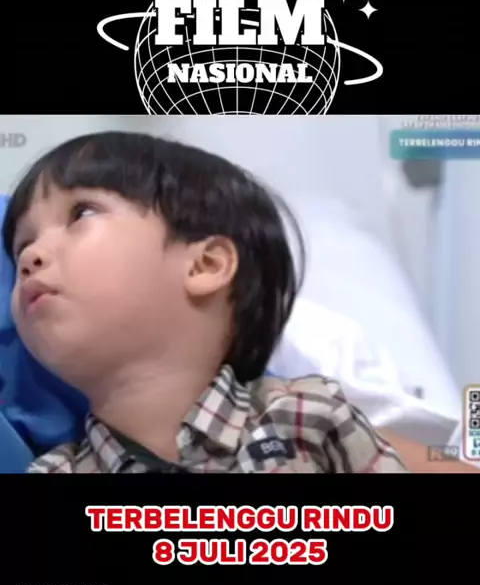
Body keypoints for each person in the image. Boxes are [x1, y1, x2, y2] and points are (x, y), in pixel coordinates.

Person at [2, 131, 407, 473]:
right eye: (22, 244)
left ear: (205, 265)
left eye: (81, 213)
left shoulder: (311, 420)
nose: (29, 256)